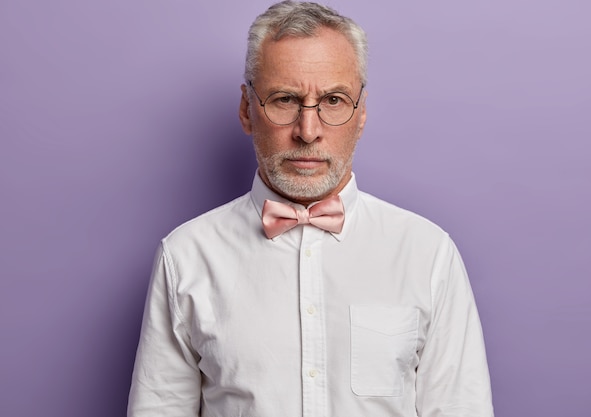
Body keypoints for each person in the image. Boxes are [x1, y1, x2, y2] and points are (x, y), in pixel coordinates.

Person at [127, 1, 494, 416]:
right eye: (285, 99)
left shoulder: (428, 254)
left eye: (334, 100)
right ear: (248, 109)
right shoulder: (186, 257)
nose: (309, 130)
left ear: (361, 113)